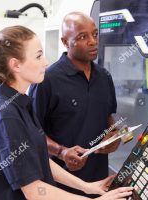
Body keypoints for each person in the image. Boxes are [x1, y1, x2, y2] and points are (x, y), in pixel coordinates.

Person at [0, 26, 133, 200]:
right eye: (38, 56)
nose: (45, 62)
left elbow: (41, 161)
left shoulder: (20, 104)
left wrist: (88, 187)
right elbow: (34, 191)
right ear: (15, 65)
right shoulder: (6, 116)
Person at [29, 12, 121, 197]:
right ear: (65, 42)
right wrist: (61, 152)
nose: (93, 41)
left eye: (95, 34)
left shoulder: (104, 77)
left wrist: (115, 137)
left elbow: (108, 117)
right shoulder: (47, 80)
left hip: (99, 181)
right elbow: (33, 133)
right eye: (82, 37)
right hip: (61, 184)